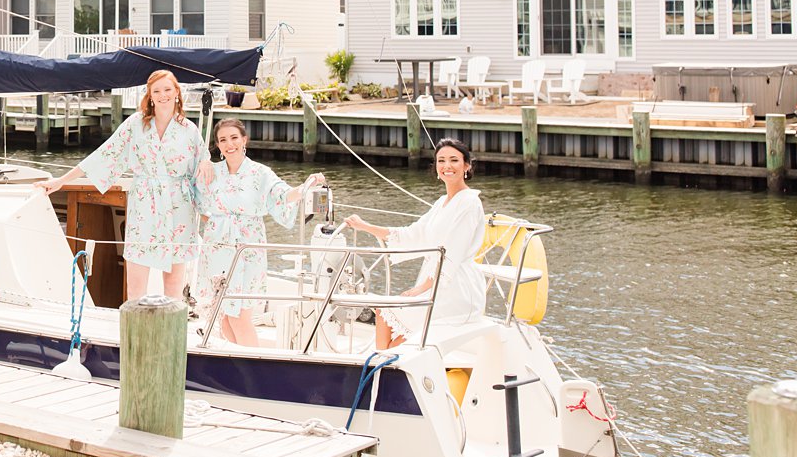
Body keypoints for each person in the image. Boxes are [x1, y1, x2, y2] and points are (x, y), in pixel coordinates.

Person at [35, 69, 212, 302]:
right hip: (144, 206)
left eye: (168, 89)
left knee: (174, 287)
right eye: (156, 91)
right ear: (149, 95)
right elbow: (103, 156)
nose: (163, 95)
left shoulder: (189, 130)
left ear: (177, 92)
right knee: (136, 286)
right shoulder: (136, 125)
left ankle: (174, 334)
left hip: (179, 208)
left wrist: (209, 166)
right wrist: (61, 181)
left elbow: (203, 169)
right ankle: (132, 334)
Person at [343, 138, 486, 348]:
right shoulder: (442, 203)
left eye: (454, 160)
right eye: (441, 161)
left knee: (399, 342)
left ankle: (383, 368)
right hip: (434, 284)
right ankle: (381, 368)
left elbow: (453, 253)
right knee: (383, 312)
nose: (447, 166)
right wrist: (365, 226)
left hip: (454, 289)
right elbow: (413, 234)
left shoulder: (470, 202)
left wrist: (421, 289)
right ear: (436, 167)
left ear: (466, 166)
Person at [195, 118, 324, 346]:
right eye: (223, 140)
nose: (229, 144)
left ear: (244, 140)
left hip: (247, 248)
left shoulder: (260, 173)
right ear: (217, 144)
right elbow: (195, 201)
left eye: (234, 137)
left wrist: (307, 186)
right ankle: (235, 367)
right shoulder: (212, 172)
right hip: (217, 247)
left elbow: (282, 195)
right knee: (223, 315)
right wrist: (203, 162)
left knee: (240, 315)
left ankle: (251, 371)